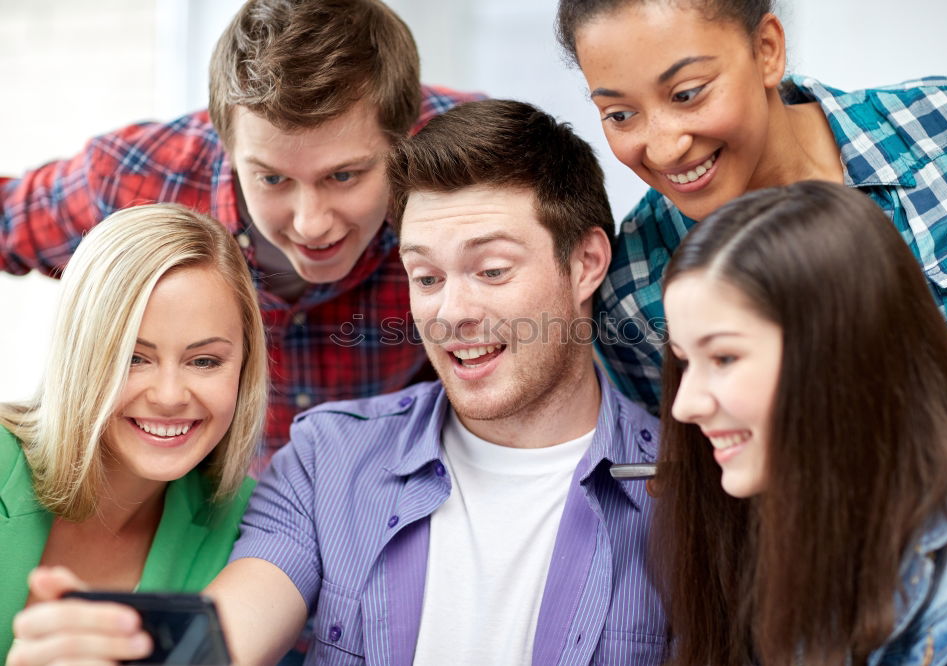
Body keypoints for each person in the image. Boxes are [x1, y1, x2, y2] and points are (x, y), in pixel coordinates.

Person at [11, 100, 667, 665]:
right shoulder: (328, 460)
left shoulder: (690, 484)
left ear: (585, 263)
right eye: (427, 276)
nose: (452, 312)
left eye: (492, 270)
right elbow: (234, 624)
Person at [0, 0, 481, 471]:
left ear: (403, 140)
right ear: (226, 143)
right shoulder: (136, 178)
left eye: (344, 176)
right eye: (273, 179)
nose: (311, 223)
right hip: (205, 507)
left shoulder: (476, 169)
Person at [555, 0, 947, 414]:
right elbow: (699, 480)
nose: (666, 149)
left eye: (687, 93)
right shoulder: (634, 292)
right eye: (619, 114)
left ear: (767, 50)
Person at [655, 181, 947, 665]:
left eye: (724, 357)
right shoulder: (808, 546)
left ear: (841, 349)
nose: (684, 406)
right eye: (684, 361)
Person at [0, 203, 268, 660]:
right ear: (80, 355)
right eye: (133, 357)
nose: (169, 396)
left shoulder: (246, 523)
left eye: (204, 361)